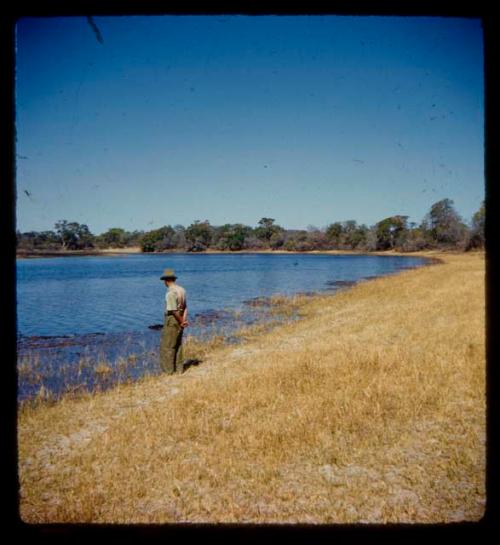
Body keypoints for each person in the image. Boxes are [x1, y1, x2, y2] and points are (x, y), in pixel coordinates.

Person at [159, 268, 188, 374]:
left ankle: (169, 372)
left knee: (167, 346)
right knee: (178, 345)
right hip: (181, 318)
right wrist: (184, 320)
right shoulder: (182, 290)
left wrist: (181, 321)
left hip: (172, 320)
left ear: (166, 281)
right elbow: (185, 307)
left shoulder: (170, 293)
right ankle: (179, 370)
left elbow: (173, 310)